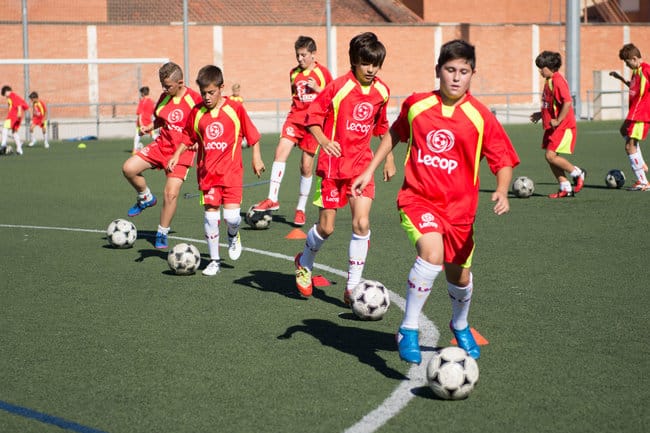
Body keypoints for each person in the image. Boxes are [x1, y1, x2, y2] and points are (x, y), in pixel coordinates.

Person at [352, 39, 520, 363]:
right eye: (450, 70)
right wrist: (369, 170)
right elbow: (395, 134)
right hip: (418, 200)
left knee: (460, 278)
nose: (456, 78)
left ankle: (460, 325)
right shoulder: (416, 105)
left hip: (460, 211)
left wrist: (502, 188)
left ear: (473, 74)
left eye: (464, 71)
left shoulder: (480, 116)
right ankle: (409, 328)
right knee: (432, 254)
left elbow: (503, 159)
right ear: (438, 71)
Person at [293, 32, 394, 299]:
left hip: (362, 168)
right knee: (326, 228)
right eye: (366, 63)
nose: (371, 69)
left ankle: (353, 287)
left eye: (376, 64)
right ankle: (304, 263)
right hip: (332, 168)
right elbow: (312, 117)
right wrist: (324, 140)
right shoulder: (337, 87)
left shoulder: (382, 91)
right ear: (354, 61)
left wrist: (389, 159)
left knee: (361, 224)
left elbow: (382, 127)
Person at [168, 65, 265, 276]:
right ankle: (214, 260)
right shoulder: (197, 112)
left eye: (211, 92)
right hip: (207, 174)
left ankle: (233, 234)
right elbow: (187, 137)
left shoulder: (234, 109)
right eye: (203, 93)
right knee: (211, 218)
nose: (207, 97)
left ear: (221, 87)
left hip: (231, 173)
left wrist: (256, 158)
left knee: (231, 218)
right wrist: (176, 155)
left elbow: (252, 134)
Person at [253, 36, 333, 227]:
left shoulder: (323, 73)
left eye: (303, 55)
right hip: (295, 119)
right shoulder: (293, 73)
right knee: (280, 151)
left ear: (313, 55)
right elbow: (294, 95)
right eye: (297, 55)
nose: (300, 59)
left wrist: (318, 88)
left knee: (306, 167)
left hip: (313, 124)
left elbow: (332, 98)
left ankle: (301, 209)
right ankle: (272, 198)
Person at [122, 62, 203, 249]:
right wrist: (149, 127)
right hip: (161, 146)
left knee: (170, 193)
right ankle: (145, 197)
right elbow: (160, 119)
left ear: (180, 82)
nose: (165, 90)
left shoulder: (194, 100)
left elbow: (203, 123)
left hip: (182, 152)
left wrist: (198, 142)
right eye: (163, 86)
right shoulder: (164, 97)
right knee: (128, 169)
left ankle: (162, 232)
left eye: (168, 86)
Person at [530, 51, 586, 198]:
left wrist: (559, 120)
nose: (540, 70)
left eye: (542, 67)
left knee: (550, 156)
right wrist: (540, 114)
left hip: (563, 126)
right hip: (552, 127)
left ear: (550, 67)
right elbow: (551, 105)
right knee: (550, 157)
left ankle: (577, 173)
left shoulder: (558, 80)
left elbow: (567, 102)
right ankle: (565, 187)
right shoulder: (549, 81)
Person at [609, 43, 650, 191]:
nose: (626, 66)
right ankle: (640, 162)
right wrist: (620, 78)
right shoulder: (636, 72)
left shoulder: (646, 70)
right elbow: (634, 88)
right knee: (623, 131)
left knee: (629, 146)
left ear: (634, 58)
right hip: (634, 113)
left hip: (641, 114)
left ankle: (643, 182)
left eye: (627, 63)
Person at [1, 85, 29, 155]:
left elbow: (18, 104)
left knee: (5, 127)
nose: (6, 96)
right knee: (14, 132)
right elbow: (24, 105)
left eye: (5, 94)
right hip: (17, 116)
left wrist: (19, 112)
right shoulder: (14, 96)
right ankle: (19, 150)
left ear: (7, 91)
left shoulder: (12, 95)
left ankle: (3, 144)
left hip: (13, 115)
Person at [133, 86, 155, 154]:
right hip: (149, 122)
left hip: (142, 122)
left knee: (138, 135)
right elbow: (153, 113)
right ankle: (161, 146)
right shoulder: (151, 102)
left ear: (142, 93)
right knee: (153, 135)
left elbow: (140, 113)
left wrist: (140, 123)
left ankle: (135, 149)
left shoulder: (142, 101)